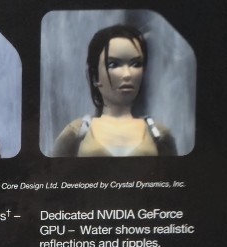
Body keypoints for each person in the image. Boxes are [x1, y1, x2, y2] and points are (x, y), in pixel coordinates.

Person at [51, 24, 177, 157]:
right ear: (95, 76)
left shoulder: (158, 133)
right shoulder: (76, 132)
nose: (127, 74)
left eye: (136, 64)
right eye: (114, 64)